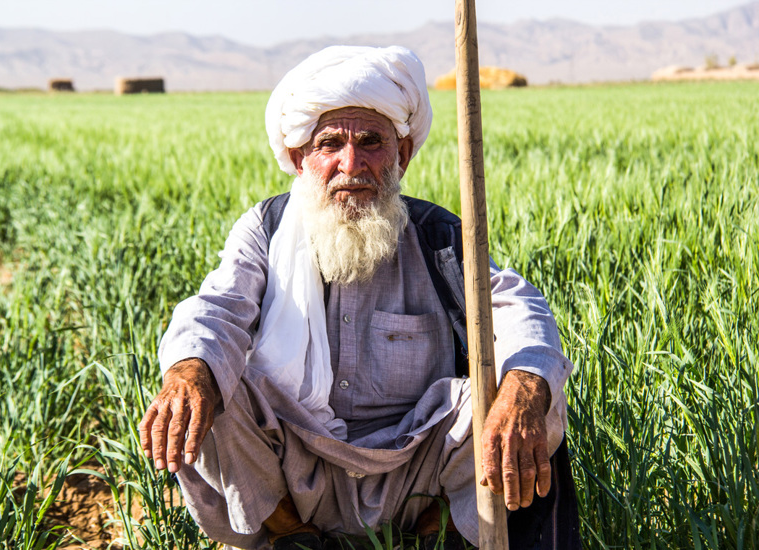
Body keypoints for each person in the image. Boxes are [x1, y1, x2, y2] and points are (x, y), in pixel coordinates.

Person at [139, 45, 581, 550]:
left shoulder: (438, 236)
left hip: (417, 473)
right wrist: (190, 371)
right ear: (302, 159)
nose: (352, 164)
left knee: (534, 391)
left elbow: (519, 307)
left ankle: (436, 538)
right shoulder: (267, 229)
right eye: (330, 144)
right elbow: (217, 308)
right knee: (209, 384)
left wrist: (523, 387)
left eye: (372, 142)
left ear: (403, 154)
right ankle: (295, 538)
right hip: (297, 473)